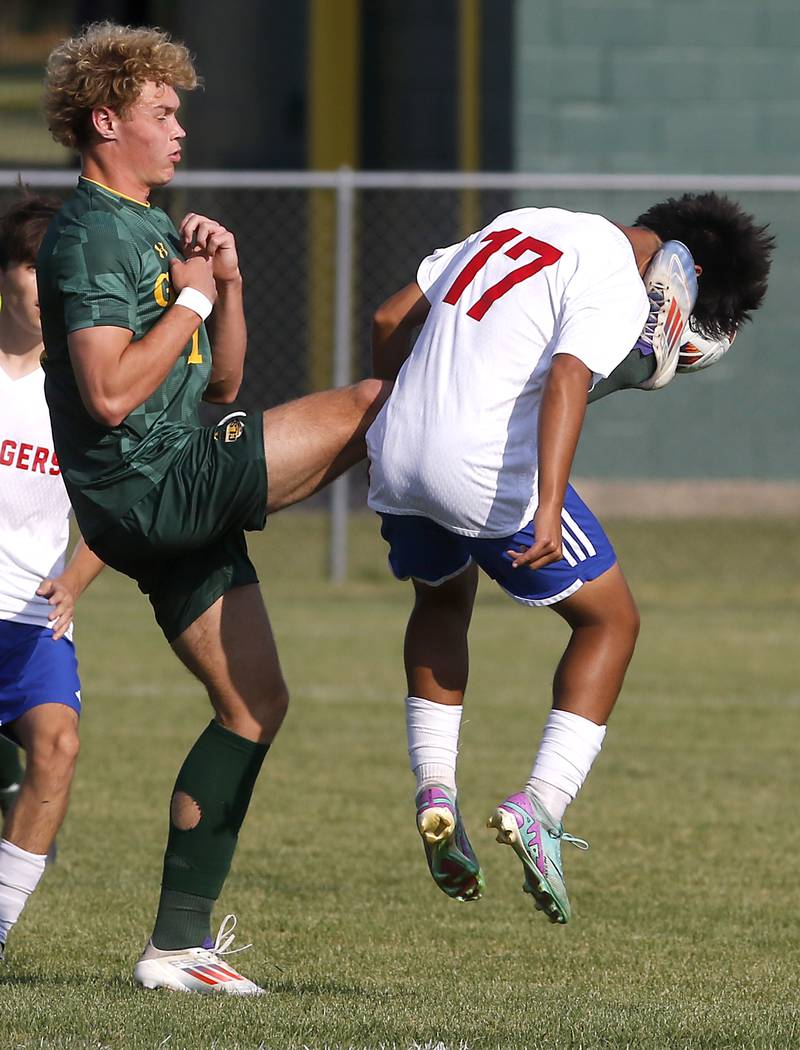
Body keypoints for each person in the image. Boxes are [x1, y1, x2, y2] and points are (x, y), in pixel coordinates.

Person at [37, 22, 388, 995]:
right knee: (371, 402)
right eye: (162, 111)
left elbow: (222, 387)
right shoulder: (89, 234)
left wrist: (223, 284)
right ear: (106, 121)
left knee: (253, 705)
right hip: (148, 484)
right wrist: (186, 304)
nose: (179, 126)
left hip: (170, 475)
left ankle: (176, 949)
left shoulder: (154, 225)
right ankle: (457, 525)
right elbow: (108, 395)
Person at [366, 194, 773, 923]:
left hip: (396, 455)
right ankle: (542, 806)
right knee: (611, 623)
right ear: (686, 269)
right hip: (487, 475)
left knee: (441, 602)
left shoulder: (520, 222)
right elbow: (567, 378)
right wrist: (548, 503)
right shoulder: (619, 275)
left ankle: (435, 789)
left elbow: (389, 320)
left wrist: (412, 416)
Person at [0, 195, 105, 962]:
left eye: (56, 267)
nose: (45, 283)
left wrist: (76, 576)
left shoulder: (79, 392)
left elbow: (114, 510)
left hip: (34, 623)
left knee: (59, 747)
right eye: (33, 265)